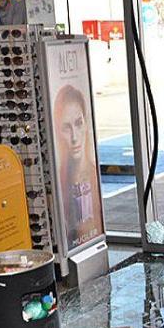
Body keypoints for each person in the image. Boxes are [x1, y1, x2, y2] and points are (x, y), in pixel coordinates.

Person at [53, 85, 103, 249]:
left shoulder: (93, 176)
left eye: (78, 123)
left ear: (86, 124)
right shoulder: (58, 181)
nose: (74, 137)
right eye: (67, 128)